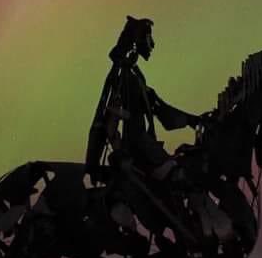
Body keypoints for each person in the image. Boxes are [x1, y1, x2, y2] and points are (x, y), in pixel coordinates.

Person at [85, 16, 202, 182]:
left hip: (145, 146)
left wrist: (191, 119)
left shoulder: (135, 76)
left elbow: (161, 110)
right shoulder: (125, 76)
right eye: (149, 38)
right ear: (137, 41)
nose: (152, 44)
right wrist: (119, 152)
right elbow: (111, 116)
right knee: (179, 176)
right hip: (138, 150)